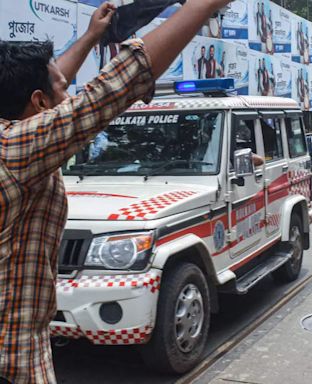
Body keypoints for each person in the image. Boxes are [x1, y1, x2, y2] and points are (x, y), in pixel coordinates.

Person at [0, 0, 231, 383]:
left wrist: (91, 37)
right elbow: (111, 89)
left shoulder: (17, 134)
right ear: (39, 103)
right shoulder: (14, 151)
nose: (69, 95)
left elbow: (53, 92)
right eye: (62, 90)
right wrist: (204, 5)